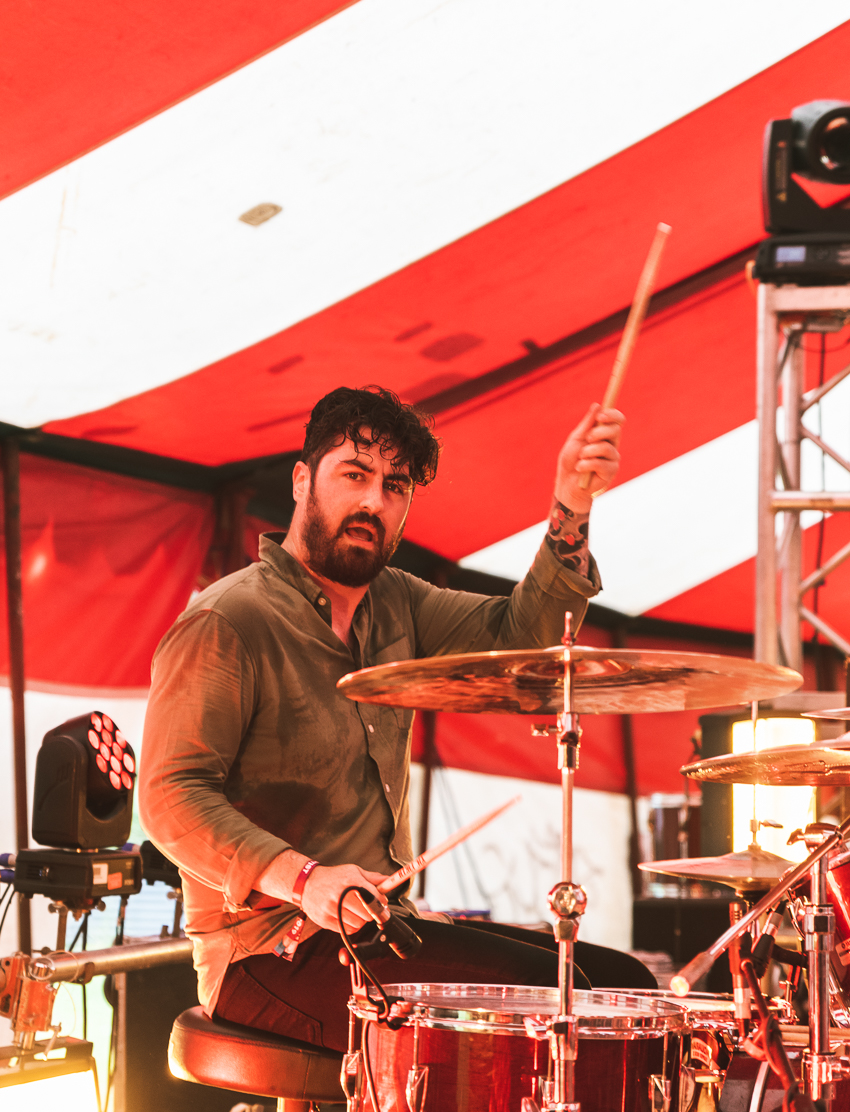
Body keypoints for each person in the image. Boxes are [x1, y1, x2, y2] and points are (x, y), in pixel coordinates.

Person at [140, 386, 654, 1053]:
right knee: (545, 995)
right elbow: (168, 796)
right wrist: (304, 878)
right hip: (267, 956)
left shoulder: (397, 604)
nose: (372, 502)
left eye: (394, 486)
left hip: (377, 931)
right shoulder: (229, 620)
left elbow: (524, 645)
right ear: (302, 481)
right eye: (354, 476)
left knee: (619, 982)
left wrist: (570, 507)